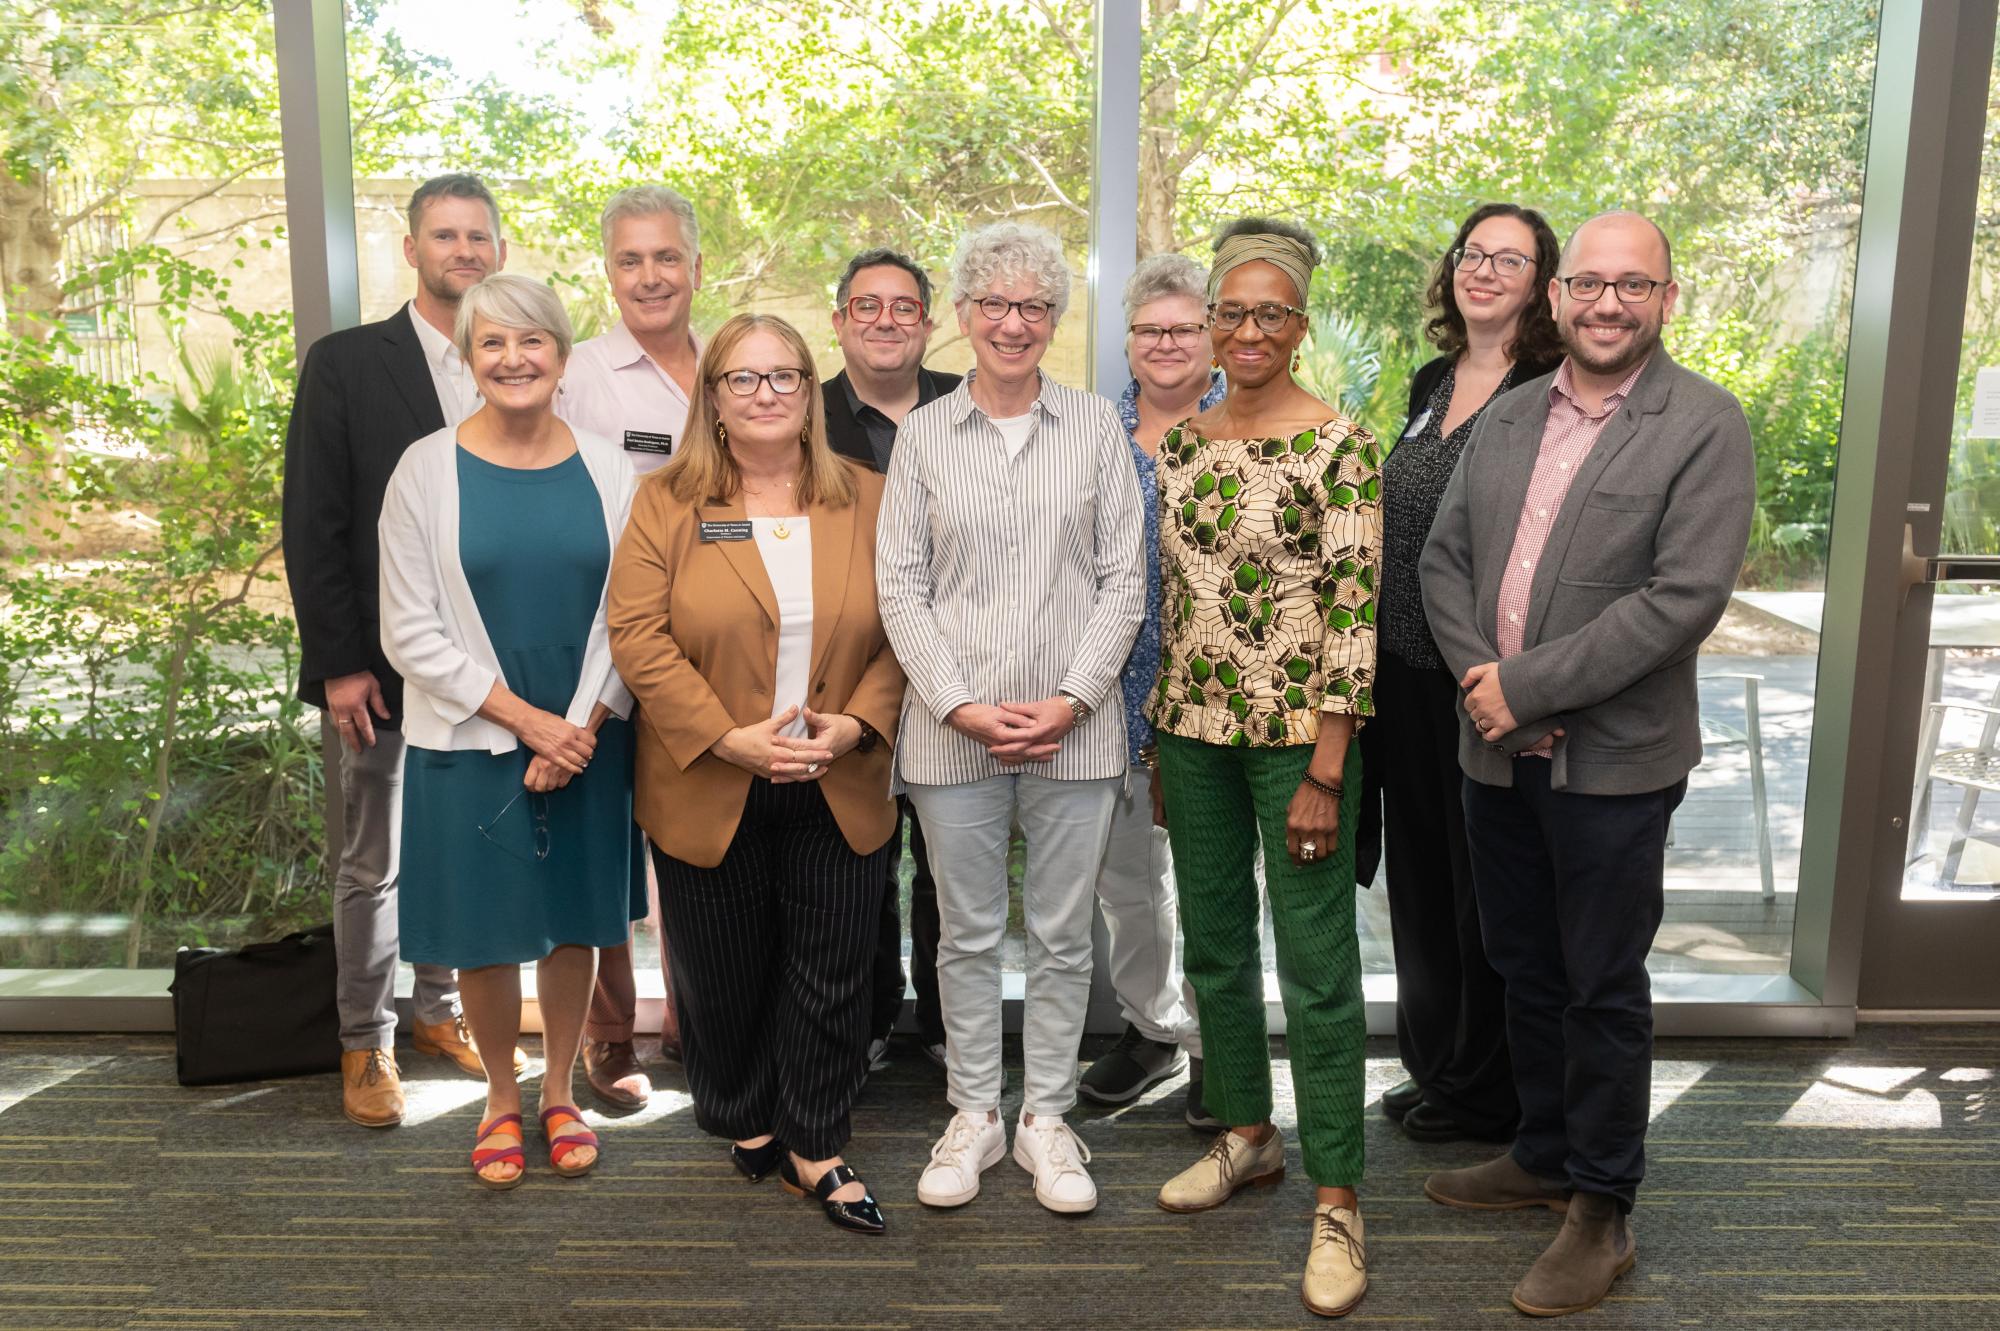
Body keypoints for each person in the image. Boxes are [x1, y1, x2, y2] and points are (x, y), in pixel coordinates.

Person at [1419, 210, 1754, 1316]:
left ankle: (1602, 1205)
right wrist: (1488, 687)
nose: (1608, 304)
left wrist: (1531, 686)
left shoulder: (1703, 424)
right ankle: (1544, 1151)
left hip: (1611, 766)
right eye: (1590, 285)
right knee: (1522, 963)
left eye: (1634, 286)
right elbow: (1444, 560)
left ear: (1667, 297)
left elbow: (1681, 598)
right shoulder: (1510, 416)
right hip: (1495, 753)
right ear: (1556, 297)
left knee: (1601, 984)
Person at [607, 313, 905, 1235]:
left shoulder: (873, 494)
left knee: (830, 970)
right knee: (725, 974)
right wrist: (724, 737)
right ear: (715, 401)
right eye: (744, 378)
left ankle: (816, 1142)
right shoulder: (667, 499)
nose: (767, 393)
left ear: (811, 394)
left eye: (785, 376)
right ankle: (747, 1110)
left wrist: (857, 724)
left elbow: (910, 628)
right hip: (709, 776)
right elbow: (637, 636)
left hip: (836, 775)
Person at [878, 222, 1145, 1217]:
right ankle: (974, 1110)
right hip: (953, 735)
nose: (1011, 322)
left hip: (1074, 728)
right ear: (961, 315)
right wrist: (957, 703)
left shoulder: (1093, 429)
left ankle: (1045, 1116)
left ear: (1054, 321)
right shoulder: (921, 435)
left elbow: (1124, 582)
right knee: (966, 931)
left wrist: (1071, 698)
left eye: (1033, 305)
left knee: (1064, 932)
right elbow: (899, 585)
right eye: (992, 303)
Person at [1148, 218, 1376, 1318]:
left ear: (1298, 324)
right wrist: (1156, 735)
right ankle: (1247, 1133)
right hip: (1191, 730)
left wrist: (1329, 766)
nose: (1245, 330)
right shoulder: (1183, 444)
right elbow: (1177, 602)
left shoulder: (1340, 444)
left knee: (1318, 964)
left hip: (1299, 740)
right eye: (1227, 312)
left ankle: (1337, 1191)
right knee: (1215, 945)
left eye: (1267, 312)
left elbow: (1352, 616)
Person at [377, 273, 645, 1189]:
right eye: (492, 342)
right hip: (471, 736)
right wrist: (531, 723)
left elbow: (632, 614)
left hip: (590, 736)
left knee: (575, 919)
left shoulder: (611, 467)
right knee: (487, 930)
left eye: (532, 340)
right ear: (467, 357)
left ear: (562, 358)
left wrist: (579, 727)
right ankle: (500, 1095)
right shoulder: (424, 468)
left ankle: (560, 1090)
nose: (513, 358)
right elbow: (407, 628)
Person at [281, 172, 524, 1129]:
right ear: (413, 248)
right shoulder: (346, 363)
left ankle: (438, 1012)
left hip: (488, 670)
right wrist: (340, 660)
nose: (462, 251)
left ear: (499, 250)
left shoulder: (512, 360)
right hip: (380, 669)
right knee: (372, 860)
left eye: (478, 236)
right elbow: (316, 521)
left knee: (459, 844)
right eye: (444, 236)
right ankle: (364, 1041)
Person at [1365, 203, 1563, 1147]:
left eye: (1509, 259)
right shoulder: (1433, 379)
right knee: (1419, 880)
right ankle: (1438, 1064)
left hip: (1480, 680)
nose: (1483, 270)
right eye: (1472, 254)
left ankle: (1490, 1090)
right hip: (1401, 672)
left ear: (1542, 283)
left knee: (1483, 885)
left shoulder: (1550, 387)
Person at [558, 185, 708, 1106]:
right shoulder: (577, 371)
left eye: (665, 258)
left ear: (697, 266)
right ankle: (610, 1036)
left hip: (720, 647)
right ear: (608, 270)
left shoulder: (734, 362)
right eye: (629, 259)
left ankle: (701, 1015)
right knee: (606, 844)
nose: (649, 277)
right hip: (609, 641)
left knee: (698, 841)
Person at [1076, 253, 1220, 1122]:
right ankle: (1153, 1027)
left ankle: (1218, 1040)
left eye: (1183, 328)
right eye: (1149, 329)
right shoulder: (1092, 431)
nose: (1165, 343)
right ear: (1127, 341)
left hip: (1214, 698)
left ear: (1211, 337)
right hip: (1108, 697)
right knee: (1127, 886)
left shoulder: (1246, 424)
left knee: (1211, 885)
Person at [821, 247, 961, 1074]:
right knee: (858, 859)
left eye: (903, 307)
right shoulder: (804, 417)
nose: (884, 321)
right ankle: (868, 1020)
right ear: (839, 322)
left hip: (959, 673)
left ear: (928, 324)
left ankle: (948, 1026)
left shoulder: (970, 405)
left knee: (950, 865)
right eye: (866, 306)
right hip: (852, 677)